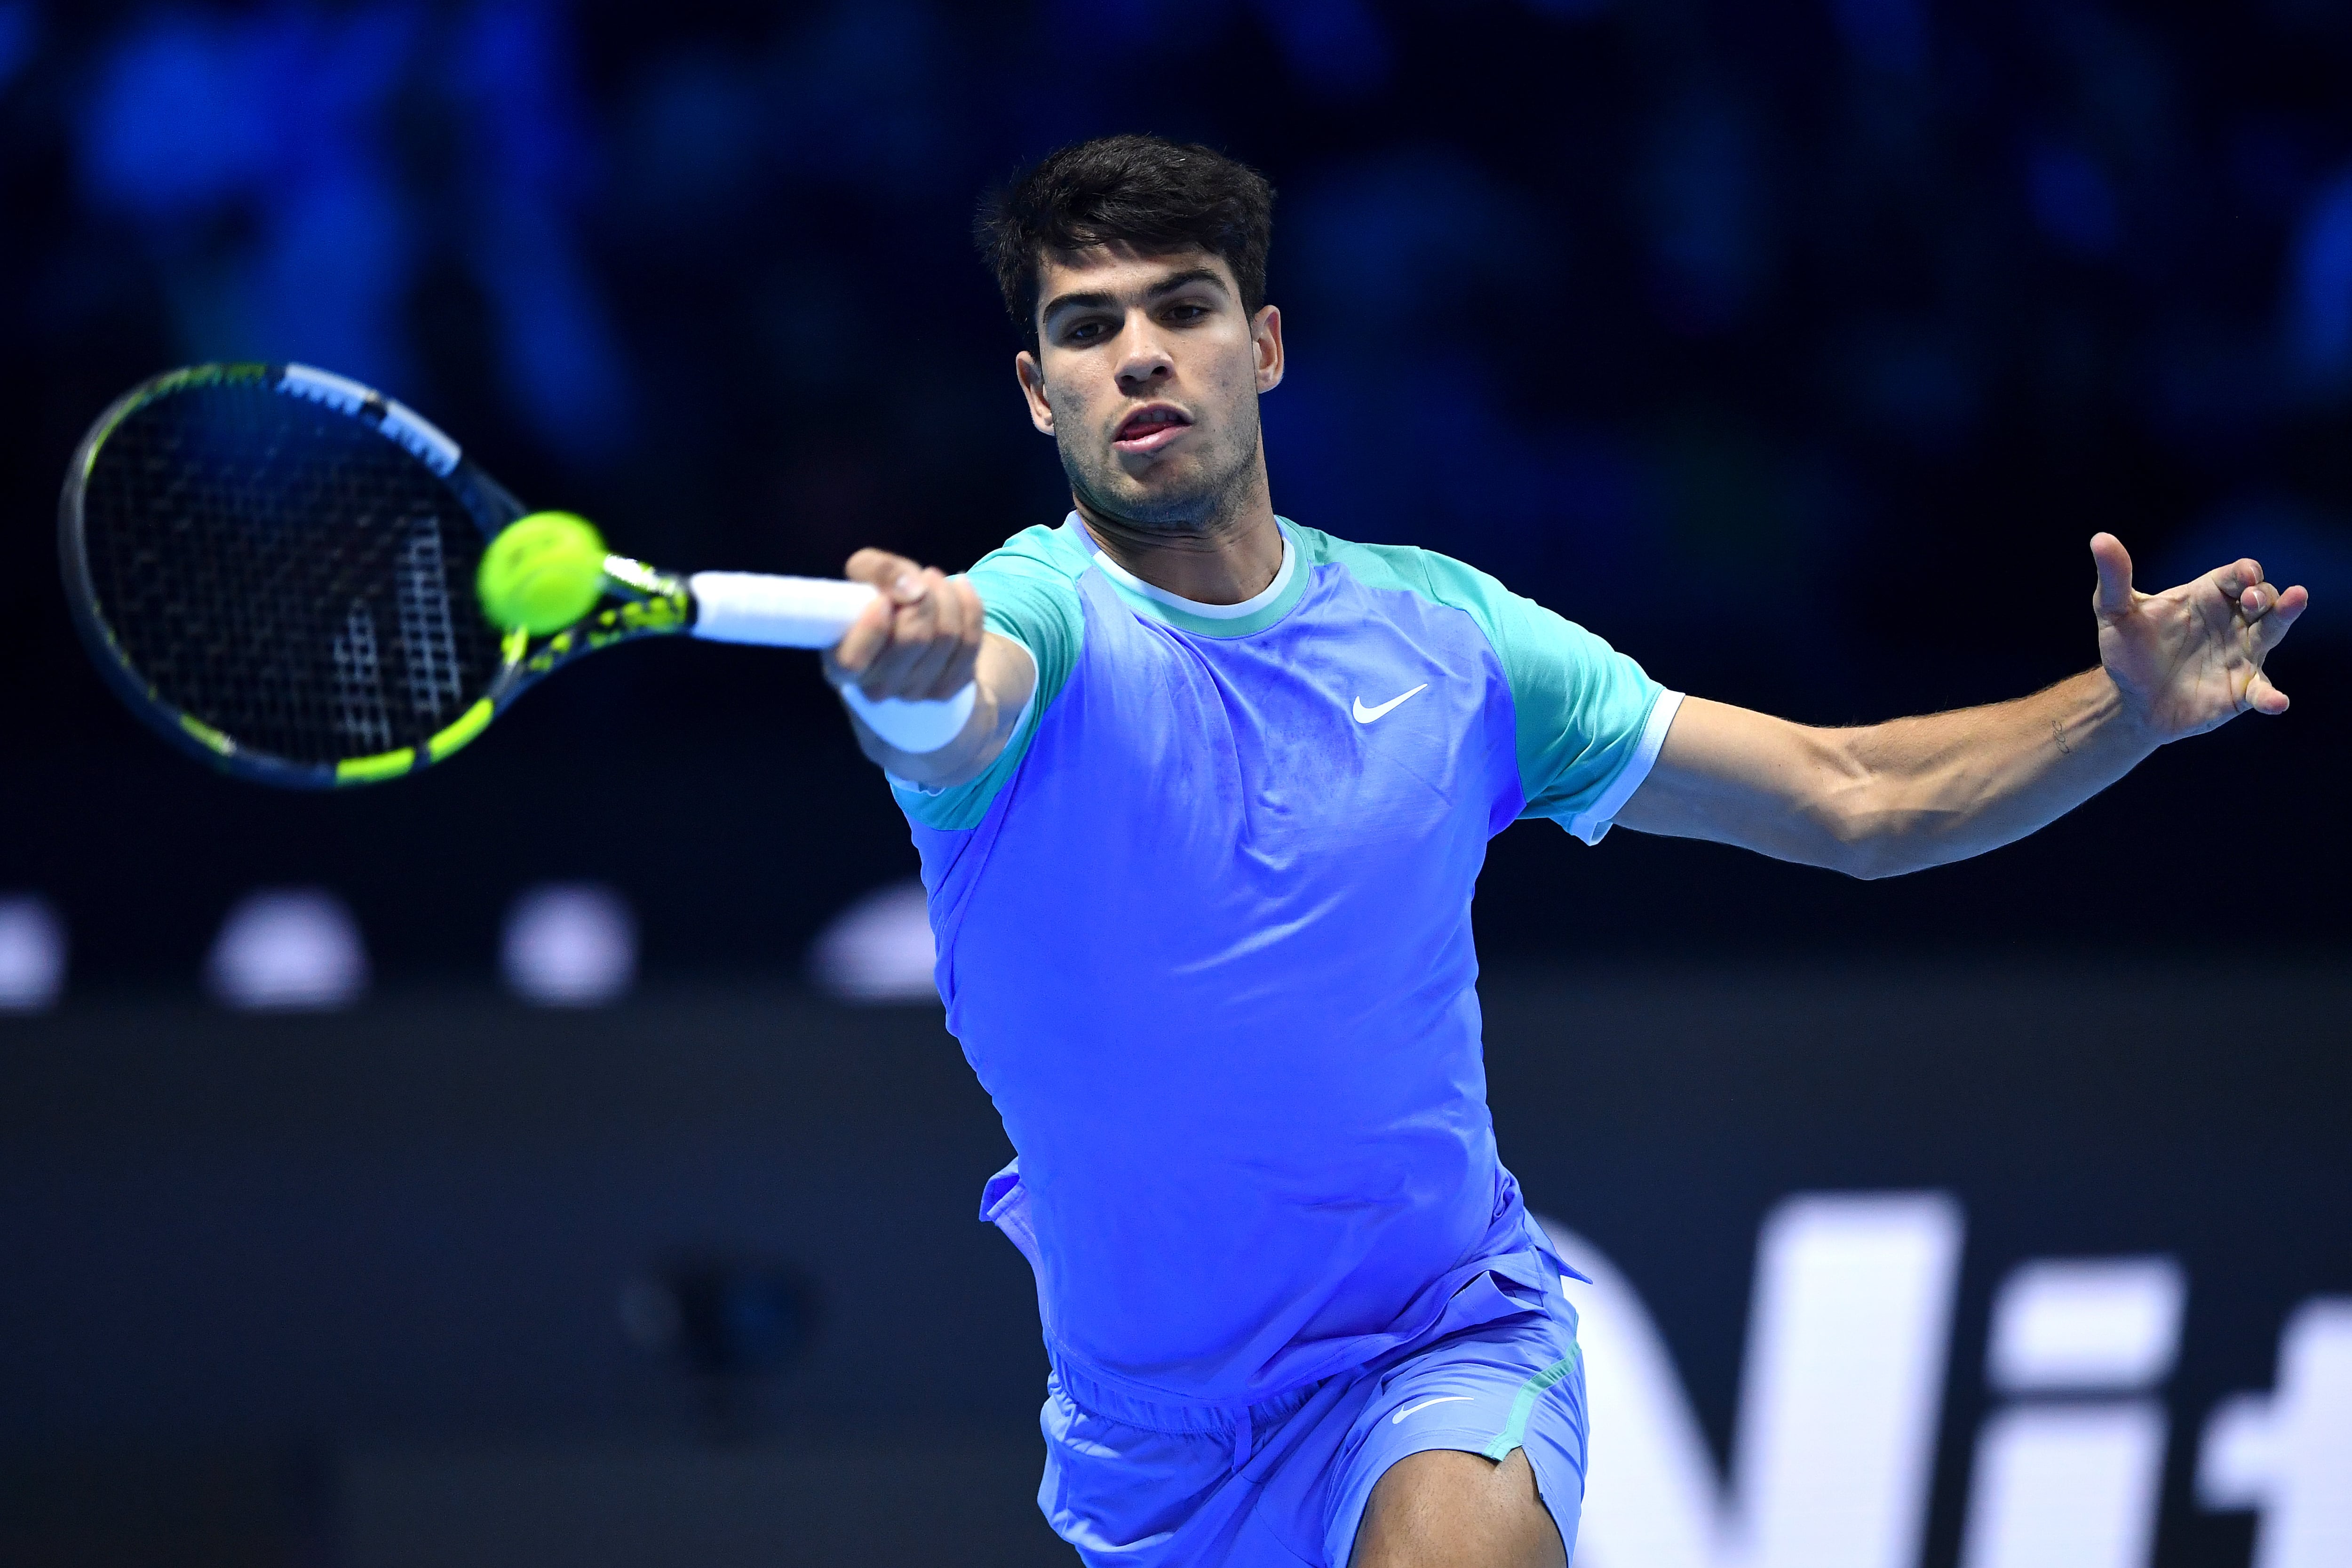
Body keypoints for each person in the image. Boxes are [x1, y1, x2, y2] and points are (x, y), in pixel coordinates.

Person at [819, 135, 2305, 1568]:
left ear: (1263, 346)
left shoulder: (1452, 641)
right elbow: (959, 715)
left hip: (1435, 1346)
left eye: (1183, 308)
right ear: (1036, 392)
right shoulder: (1035, 625)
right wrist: (919, 677)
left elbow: (1853, 796)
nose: (1139, 354)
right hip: (1149, 1446)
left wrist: (2123, 716)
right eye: (1086, 328)